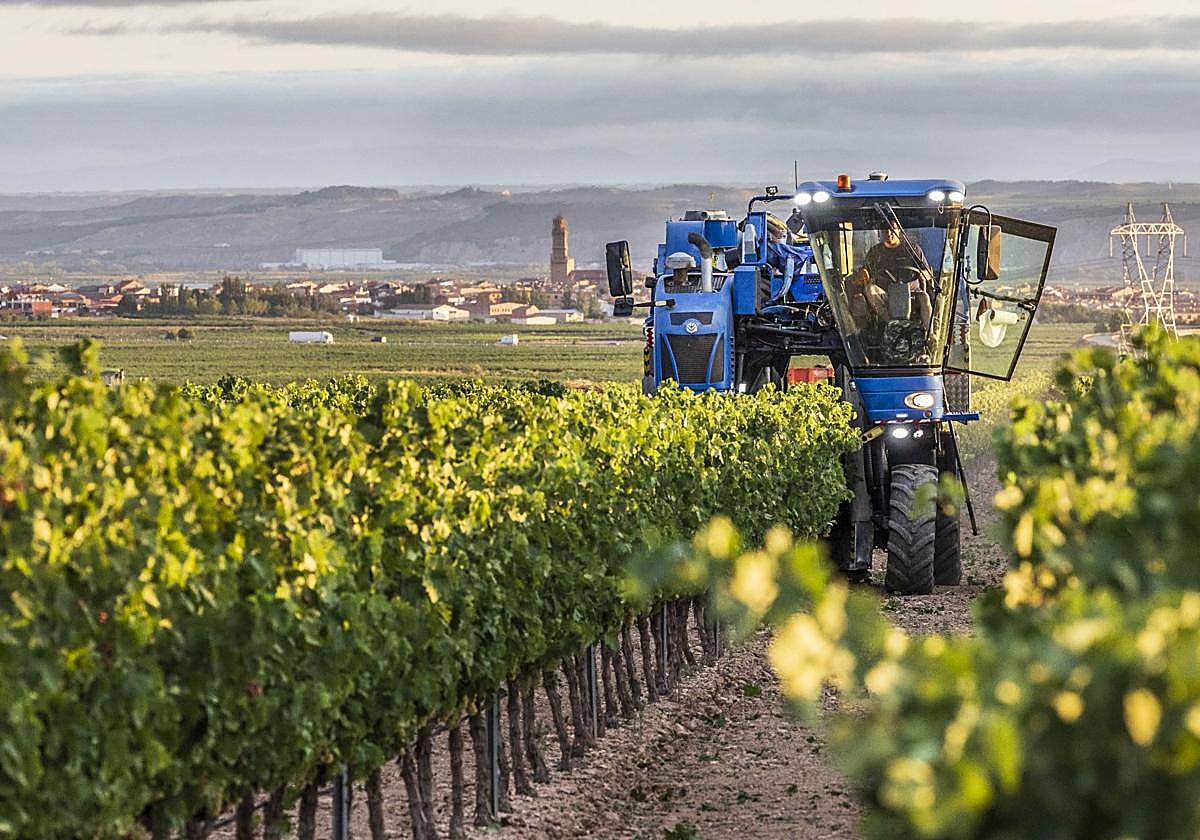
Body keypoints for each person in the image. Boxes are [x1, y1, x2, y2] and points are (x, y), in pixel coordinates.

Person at [850, 223, 932, 327]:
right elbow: (865, 272)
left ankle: (930, 333)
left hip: (911, 294)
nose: (888, 233)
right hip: (885, 294)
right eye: (884, 230)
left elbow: (927, 273)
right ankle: (892, 324)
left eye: (892, 229)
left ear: (899, 230)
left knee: (925, 297)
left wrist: (920, 274)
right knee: (869, 289)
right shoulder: (875, 252)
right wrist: (863, 274)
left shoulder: (913, 249)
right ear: (880, 233)